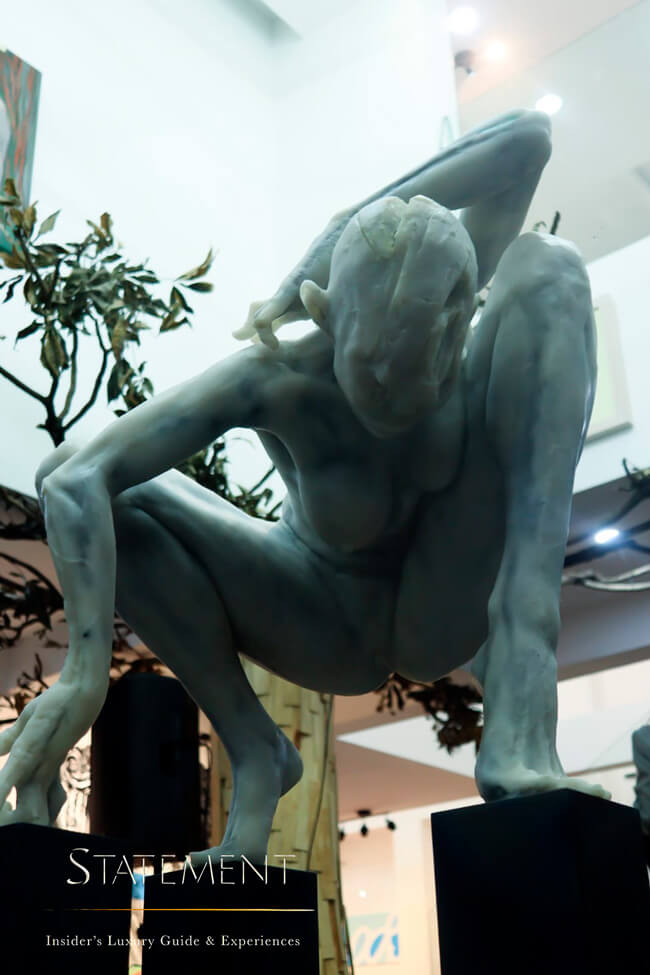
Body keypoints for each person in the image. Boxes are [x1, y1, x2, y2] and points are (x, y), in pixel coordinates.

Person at [0, 110, 608, 862]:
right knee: (106, 493)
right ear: (326, 314)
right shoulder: (278, 376)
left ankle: (521, 716)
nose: (398, 401)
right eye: (371, 371)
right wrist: (84, 676)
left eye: (424, 368)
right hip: (327, 612)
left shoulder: (448, 296)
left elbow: (527, 138)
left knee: (552, 266)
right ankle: (258, 752)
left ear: (458, 318)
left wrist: (339, 227)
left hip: (445, 597)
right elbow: (73, 475)